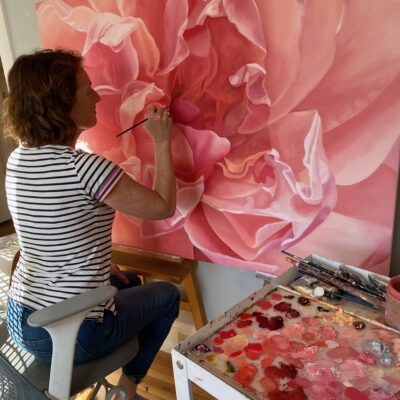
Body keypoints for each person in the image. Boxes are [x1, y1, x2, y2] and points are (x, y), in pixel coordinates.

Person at [2, 48, 180, 399]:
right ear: (61, 103)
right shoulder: (85, 168)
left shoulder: (19, 158)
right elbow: (162, 206)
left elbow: (49, 226)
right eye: (88, 90)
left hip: (21, 319)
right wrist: (162, 141)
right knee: (168, 296)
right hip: (69, 334)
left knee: (129, 281)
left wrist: (94, 265)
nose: (97, 97)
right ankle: (127, 389)